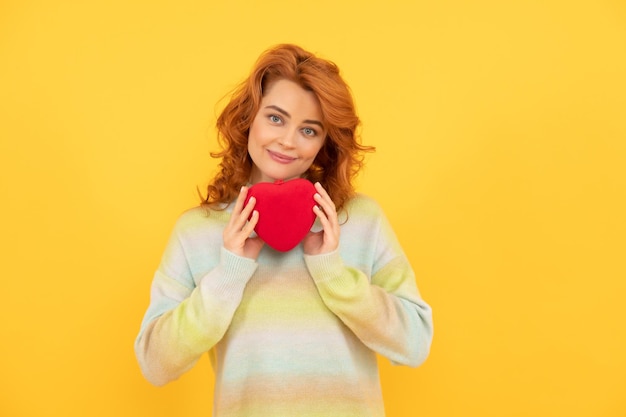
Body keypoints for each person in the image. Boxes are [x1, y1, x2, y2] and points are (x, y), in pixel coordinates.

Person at [135, 44, 433, 417]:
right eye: (276, 118)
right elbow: (155, 363)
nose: (288, 141)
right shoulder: (197, 231)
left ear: (325, 143)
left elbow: (416, 343)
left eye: (309, 130)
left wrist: (335, 276)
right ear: (249, 119)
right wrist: (228, 275)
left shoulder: (362, 220)